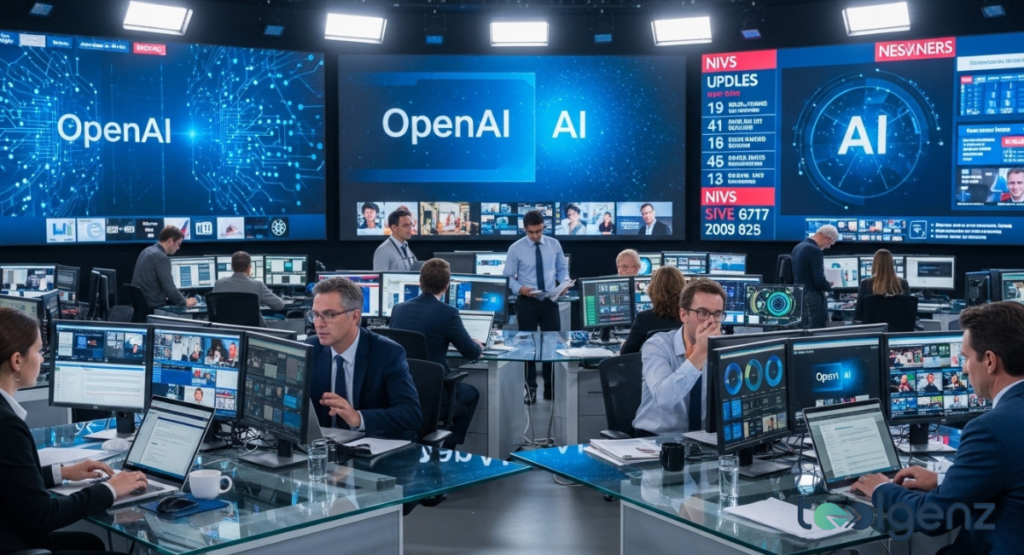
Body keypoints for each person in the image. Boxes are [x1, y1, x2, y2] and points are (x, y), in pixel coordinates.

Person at [851, 301, 1024, 554]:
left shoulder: (989, 429)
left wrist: (881, 488)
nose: (964, 368)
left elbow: (933, 518)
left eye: (965, 358)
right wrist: (945, 480)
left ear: (989, 361)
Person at [0, 307, 148, 555]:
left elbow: (11, 480)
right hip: (15, 543)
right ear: (17, 360)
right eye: (38, 351)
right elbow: (45, 516)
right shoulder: (7, 426)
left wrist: (62, 472)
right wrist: (111, 488)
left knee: (90, 544)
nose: (43, 359)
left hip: (10, 535)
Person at [307, 277, 421, 441]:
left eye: (329, 315)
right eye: (315, 315)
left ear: (354, 317)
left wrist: (358, 418)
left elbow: (411, 414)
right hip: (327, 448)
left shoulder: (387, 353)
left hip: (375, 449)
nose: (318, 324)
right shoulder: (311, 349)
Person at [389, 258, 481, 448]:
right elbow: (470, 353)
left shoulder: (398, 309)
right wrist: (478, 345)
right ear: (447, 286)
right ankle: (450, 450)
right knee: (473, 394)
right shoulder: (448, 313)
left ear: (420, 282)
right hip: (436, 392)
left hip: (402, 389)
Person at [632, 278, 726, 436]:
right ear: (684, 314)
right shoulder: (657, 346)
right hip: (656, 440)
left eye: (717, 314)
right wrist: (700, 353)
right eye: (702, 313)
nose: (711, 321)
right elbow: (665, 399)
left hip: (703, 442)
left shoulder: (723, 349)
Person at [503, 210, 570, 404]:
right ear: (524, 229)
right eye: (531, 232)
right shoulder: (515, 248)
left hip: (550, 300)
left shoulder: (554, 244)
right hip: (527, 301)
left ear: (543, 227)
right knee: (527, 346)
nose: (535, 235)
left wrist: (564, 282)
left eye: (539, 231)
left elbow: (562, 268)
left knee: (552, 345)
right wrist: (520, 289)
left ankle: (550, 388)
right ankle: (530, 388)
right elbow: (508, 277)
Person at [621, 266, 685, 355]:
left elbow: (626, 354)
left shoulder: (644, 318)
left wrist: (624, 345)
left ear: (653, 290)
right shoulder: (688, 317)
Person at [211, 251, 286, 327]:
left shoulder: (219, 283)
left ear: (232, 266)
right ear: (249, 267)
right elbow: (279, 306)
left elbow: (214, 307)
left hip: (227, 332)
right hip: (253, 334)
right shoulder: (258, 285)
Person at [130, 225, 197, 310]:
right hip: (153, 310)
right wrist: (185, 302)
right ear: (170, 241)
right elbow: (170, 289)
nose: (178, 248)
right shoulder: (161, 257)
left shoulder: (146, 251)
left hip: (141, 308)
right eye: (178, 244)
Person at [790, 224, 838, 328]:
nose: (828, 247)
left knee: (803, 330)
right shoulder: (814, 250)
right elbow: (819, 280)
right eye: (829, 244)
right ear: (826, 238)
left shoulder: (798, 247)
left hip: (799, 296)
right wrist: (830, 288)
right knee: (816, 332)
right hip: (812, 298)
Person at [854, 249, 910, 322]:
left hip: (874, 330)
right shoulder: (903, 283)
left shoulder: (865, 284)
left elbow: (858, 315)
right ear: (891, 264)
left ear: (874, 264)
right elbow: (909, 312)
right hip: (898, 330)